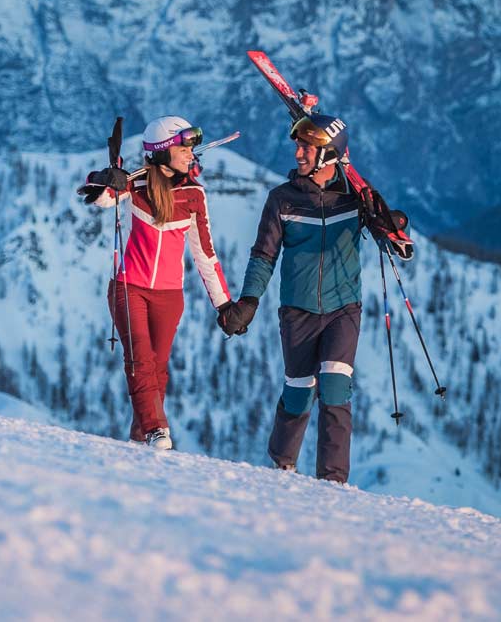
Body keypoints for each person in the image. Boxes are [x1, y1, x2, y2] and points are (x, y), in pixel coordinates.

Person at [218, 112, 372, 482]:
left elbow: (387, 227)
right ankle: (281, 464)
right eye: (298, 146)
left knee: (335, 388)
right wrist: (249, 302)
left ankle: (333, 482)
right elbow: (264, 255)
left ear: (328, 155)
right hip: (297, 311)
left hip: (343, 309)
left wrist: (397, 228)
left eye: (307, 147)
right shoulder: (282, 200)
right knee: (299, 391)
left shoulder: (355, 198)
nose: (298, 154)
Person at [80, 116, 239, 451]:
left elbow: (205, 254)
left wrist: (224, 304)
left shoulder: (194, 195)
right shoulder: (134, 185)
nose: (190, 151)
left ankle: (140, 440)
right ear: (164, 151)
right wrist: (105, 178)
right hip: (129, 288)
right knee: (140, 359)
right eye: (183, 145)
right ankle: (156, 430)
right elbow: (100, 197)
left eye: (192, 145)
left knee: (158, 369)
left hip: (169, 296)